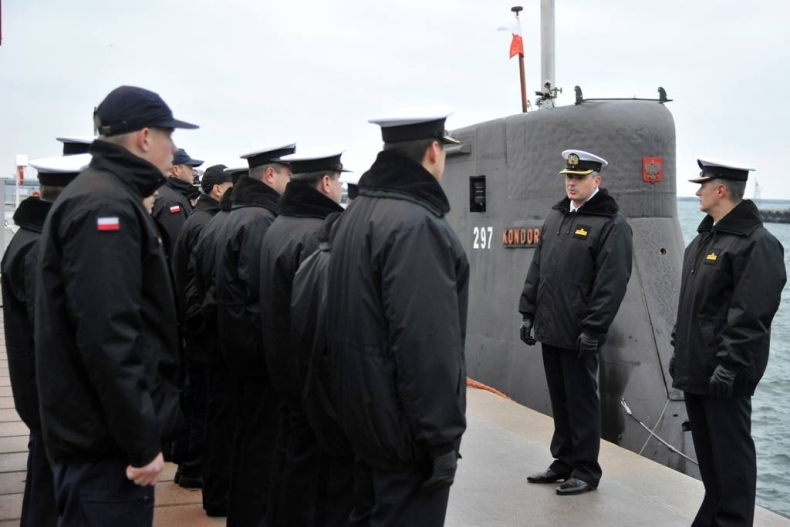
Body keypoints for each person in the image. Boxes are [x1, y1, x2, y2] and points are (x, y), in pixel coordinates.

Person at [34, 85, 197, 526]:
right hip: (103, 443)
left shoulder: (99, 193)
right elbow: (109, 333)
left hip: (95, 433)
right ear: (145, 137)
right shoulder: (107, 205)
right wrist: (141, 441)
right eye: (169, 136)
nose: (174, 148)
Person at [326, 108, 469, 526]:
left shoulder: (356, 214)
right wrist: (441, 439)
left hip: (364, 417)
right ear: (432, 150)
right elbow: (425, 344)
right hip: (405, 434)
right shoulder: (417, 226)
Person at [671, 159, 786, 526]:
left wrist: (730, 367)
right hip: (698, 369)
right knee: (711, 460)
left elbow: (751, 316)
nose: (697, 191)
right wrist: (680, 350)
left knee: (732, 460)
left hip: (725, 375)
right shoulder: (705, 239)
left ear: (721, 190)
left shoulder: (757, 245)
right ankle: (712, 519)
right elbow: (691, 306)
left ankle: (733, 521)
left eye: (702, 185)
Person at [518, 149, 633, 496]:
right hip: (551, 325)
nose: (571, 182)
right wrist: (528, 313)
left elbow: (611, 283)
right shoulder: (556, 217)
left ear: (596, 180)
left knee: (582, 402)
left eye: (579, 177)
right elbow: (539, 268)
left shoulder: (612, 224)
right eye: (568, 177)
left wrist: (594, 329)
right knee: (561, 398)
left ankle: (586, 469)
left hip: (579, 329)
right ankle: (564, 461)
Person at [259, 149, 346, 526]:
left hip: (281, 369)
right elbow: (319, 320)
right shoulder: (316, 234)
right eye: (339, 180)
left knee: (289, 466)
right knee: (313, 481)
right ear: (327, 182)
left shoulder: (279, 225)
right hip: (308, 378)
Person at [2, 152, 87, 527]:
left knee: (45, 479)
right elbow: (51, 330)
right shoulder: (40, 248)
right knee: (50, 489)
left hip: (39, 387)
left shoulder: (32, 236)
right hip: (51, 391)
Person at [215, 144, 294, 526]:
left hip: (235, 347)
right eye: (286, 173)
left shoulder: (236, 215)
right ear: (269, 175)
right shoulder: (259, 221)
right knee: (262, 445)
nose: (290, 181)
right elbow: (262, 294)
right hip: (255, 353)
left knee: (246, 438)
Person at [184, 165, 247, 516]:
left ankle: (207, 483)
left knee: (215, 415)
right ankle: (208, 483)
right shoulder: (209, 224)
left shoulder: (208, 224)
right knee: (220, 418)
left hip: (210, 339)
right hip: (221, 343)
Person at [170, 163, 232, 491]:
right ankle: (193, 468)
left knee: (197, 399)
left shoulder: (198, 218)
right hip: (199, 330)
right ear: (219, 189)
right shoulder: (205, 223)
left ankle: (189, 465)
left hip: (192, 326)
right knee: (202, 403)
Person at [290, 211, 355, 527]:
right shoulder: (341, 272)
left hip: (313, 392)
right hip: (338, 401)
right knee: (343, 496)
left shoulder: (309, 265)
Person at [152, 147, 204, 259]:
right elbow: (177, 249)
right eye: (190, 168)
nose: (194, 173)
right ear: (176, 170)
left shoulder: (170, 193)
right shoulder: (171, 201)